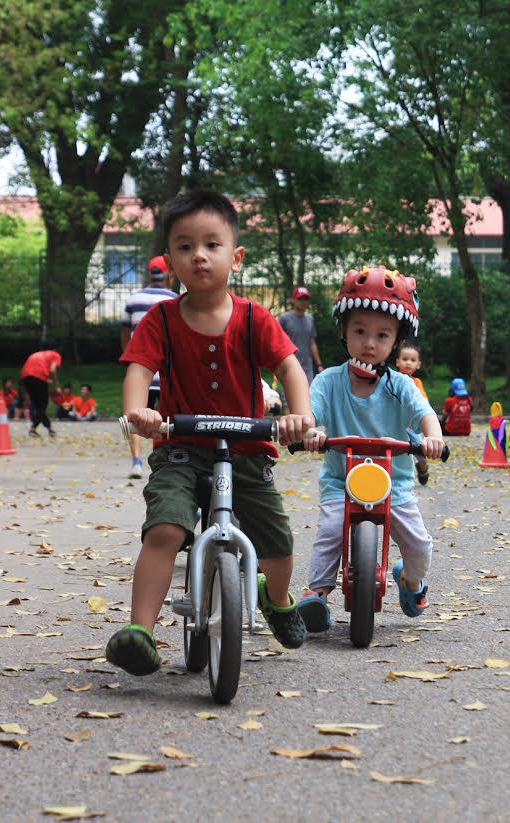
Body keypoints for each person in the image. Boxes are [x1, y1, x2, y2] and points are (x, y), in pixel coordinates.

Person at [106, 190, 313, 675]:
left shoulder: (253, 318)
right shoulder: (160, 320)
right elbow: (138, 368)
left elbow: (289, 368)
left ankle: (276, 599)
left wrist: (299, 416)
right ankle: (141, 631)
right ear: (170, 260)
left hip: (246, 450)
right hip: (181, 447)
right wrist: (140, 412)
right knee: (165, 529)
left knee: (277, 543)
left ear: (235, 257)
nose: (198, 255)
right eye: (184, 246)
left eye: (211, 244)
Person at [296, 265, 444, 633]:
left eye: (382, 335)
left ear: (396, 343)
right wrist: (311, 430)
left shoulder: (402, 386)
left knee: (419, 544)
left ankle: (411, 582)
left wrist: (433, 438)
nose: (369, 343)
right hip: (340, 479)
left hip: (395, 483)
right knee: (330, 532)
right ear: (344, 332)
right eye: (359, 331)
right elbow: (310, 413)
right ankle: (317, 593)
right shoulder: (330, 381)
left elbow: (426, 415)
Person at [121, 255, 178, 479]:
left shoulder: (134, 299)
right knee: (166, 421)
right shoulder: (174, 300)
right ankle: (165, 462)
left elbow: (125, 332)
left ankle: (136, 461)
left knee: (134, 417)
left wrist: (132, 359)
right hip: (165, 374)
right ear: (169, 274)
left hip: (140, 372)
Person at [395, 342, 432, 485]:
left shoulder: (416, 383)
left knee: (421, 452)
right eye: (405, 359)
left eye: (412, 360)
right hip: (394, 424)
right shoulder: (391, 380)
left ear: (418, 364)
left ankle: (422, 468)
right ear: (398, 362)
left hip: (410, 426)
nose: (408, 363)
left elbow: (423, 402)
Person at [278, 285, 325, 385]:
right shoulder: (284, 318)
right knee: (290, 398)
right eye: (300, 299)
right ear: (293, 300)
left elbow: (312, 343)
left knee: (309, 396)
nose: (303, 302)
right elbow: (278, 342)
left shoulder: (310, 319)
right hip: (289, 366)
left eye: (306, 299)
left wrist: (319, 365)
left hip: (307, 367)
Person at [20, 343, 61, 439]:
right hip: (39, 377)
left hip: (25, 377)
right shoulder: (55, 355)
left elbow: (27, 370)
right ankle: (33, 429)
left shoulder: (36, 354)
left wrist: (26, 396)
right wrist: (57, 387)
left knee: (38, 406)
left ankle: (50, 429)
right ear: (54, 349)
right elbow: (53, 370)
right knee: (43, 405)